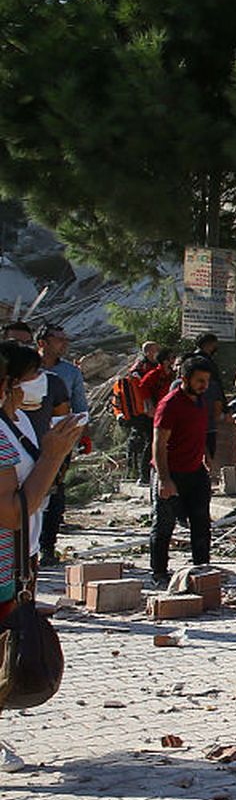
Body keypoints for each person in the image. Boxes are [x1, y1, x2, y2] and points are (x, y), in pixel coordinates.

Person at [0, 340, 84, 772]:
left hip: (16, 560)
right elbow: (11, 510)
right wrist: (53, 455)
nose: (41, 383)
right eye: (31, 376)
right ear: (9, 383)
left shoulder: (17, 424)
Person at [150, 357, 216, 584]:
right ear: (184, 378)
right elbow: (159, 444)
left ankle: (202, 571)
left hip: (195, 472)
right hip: (171, 472)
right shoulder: (170, 404)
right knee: (164, 525)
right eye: (199, 380)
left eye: (206, 381)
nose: (203, 385)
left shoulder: (201, 402)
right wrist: (165, 479)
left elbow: (199, 432)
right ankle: (159, 573)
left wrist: (206, 455)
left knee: (201, 523)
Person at [22, 328, 75, 563]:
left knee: (47, 502)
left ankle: (43, 550)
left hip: (45, 451)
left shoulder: (59, 380)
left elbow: (67, 416)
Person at [192, 332, 229, 465]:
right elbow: (216, 389)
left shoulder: (191, 359)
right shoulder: (206, 363)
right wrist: (224, 409)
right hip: (206, 412)